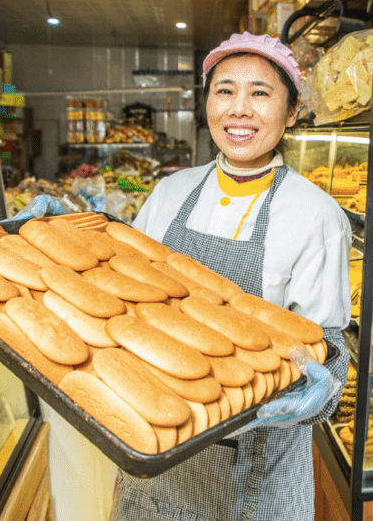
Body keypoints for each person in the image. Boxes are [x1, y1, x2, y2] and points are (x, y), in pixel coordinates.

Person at [111, 32, 351, 521]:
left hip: (258, 464)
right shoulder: (170, 192)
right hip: (155, 449)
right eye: (224, 91)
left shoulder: (315, 215)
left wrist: (322, 386)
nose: (239, 109)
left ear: (291, 112)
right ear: (206, 104)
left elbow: (327, 342)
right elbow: (126, 296)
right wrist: (80, 231)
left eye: (260, 93)